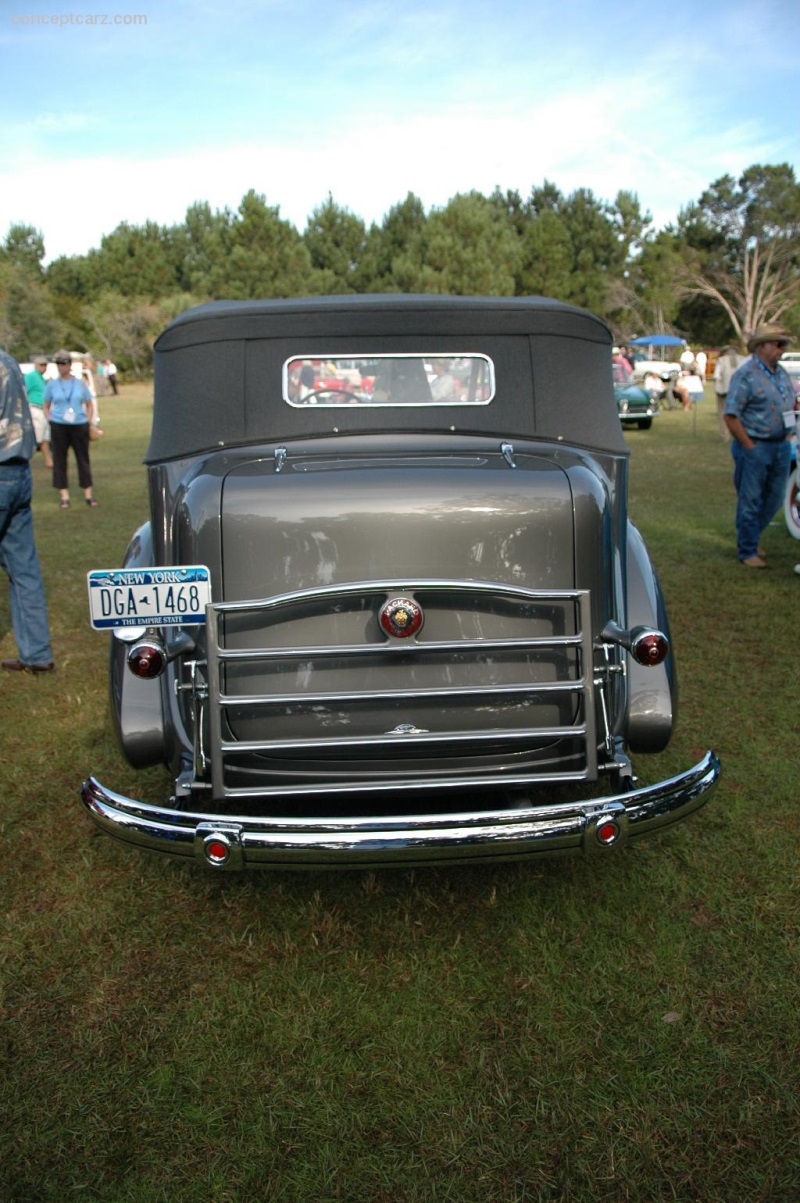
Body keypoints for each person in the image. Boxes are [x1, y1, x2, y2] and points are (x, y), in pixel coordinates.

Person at [0, 349, 55, 674]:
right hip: (19, 470)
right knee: (24, 571)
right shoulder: (8, 360)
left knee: (23, 571)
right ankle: (37, 655)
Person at [723, 324, 795, 569]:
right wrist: (749, 445)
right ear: (761, 346)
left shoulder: (781, 372)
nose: (782, 349)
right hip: (755, 446)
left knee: (775, 498)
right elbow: (731, 415)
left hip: (781, 445)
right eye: (778, 344)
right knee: (751, 499)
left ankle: (752, 538)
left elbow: (789, 405)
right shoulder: (747, 374)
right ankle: (747, 549)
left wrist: (787, 436)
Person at [43, 350, 98, 508]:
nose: (61, 366)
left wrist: (87, 421)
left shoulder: (80, 383)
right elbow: (46, 405)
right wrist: (50, 419)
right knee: (59, 460)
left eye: (63, 363)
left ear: (70, 364)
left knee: (83, 459)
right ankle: (64, 496)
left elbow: (89, 404)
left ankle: (88, 494)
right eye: (58, 363)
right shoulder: (52, 384)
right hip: (59, 425)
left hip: (79, 425)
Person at [24, 355, 54, 468]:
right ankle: (26, 460)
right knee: (37, 438)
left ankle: (48, 461)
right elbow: (24, 390)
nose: (44, 367)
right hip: (35, 409)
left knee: (45, 437)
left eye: (45, 365)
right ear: (36, 365)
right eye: (41, 365)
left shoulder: (41, 378)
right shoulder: (31, 376)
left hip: (44, 410)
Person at [713, 345, 742, 442]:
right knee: (738, 414)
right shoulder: (743, 360)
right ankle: (739, 435)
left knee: (723, 413)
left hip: (724, 391)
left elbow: (717, 375)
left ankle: (725, 435)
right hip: (740, 391)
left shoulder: (721, 360)